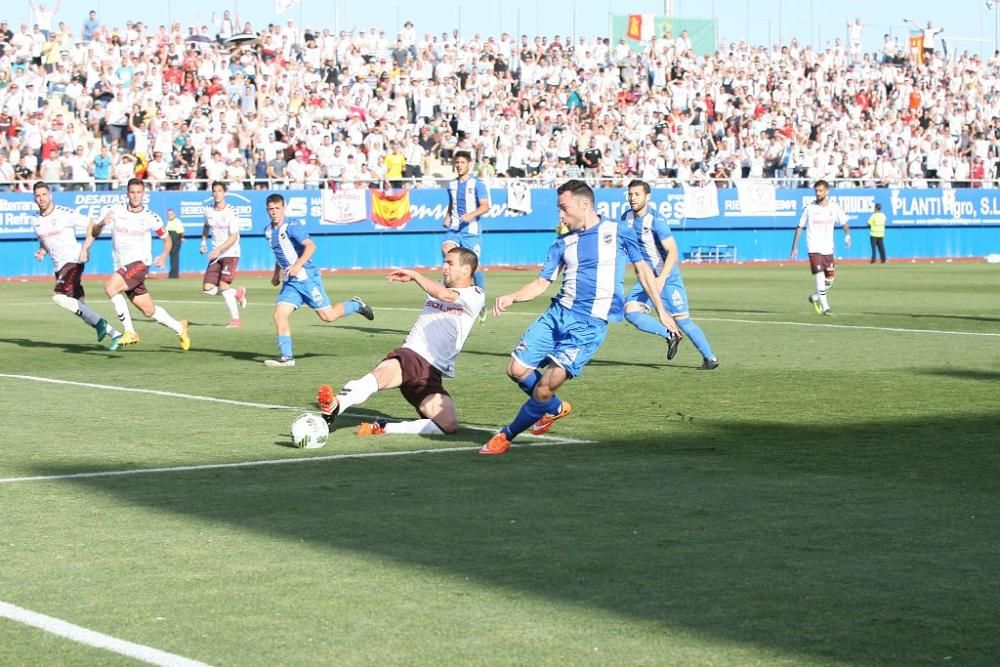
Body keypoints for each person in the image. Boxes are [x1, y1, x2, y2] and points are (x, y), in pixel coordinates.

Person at [479, 180, 679, 455]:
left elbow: (643, 271)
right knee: (516, 370)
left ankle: (506, 435)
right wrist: (512, 296)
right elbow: (541, 283)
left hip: (588, 326)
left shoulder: (618, 231)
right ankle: (554, 408)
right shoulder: (562, 243)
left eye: (564, 208)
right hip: (556, 315)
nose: (560, 215)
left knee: (545, 386)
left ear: (584, 205)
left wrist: (662, 310)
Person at [316, 247, 485, 436]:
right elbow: (439, 290)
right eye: (444, 262)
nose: (444, 267)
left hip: (432, 373)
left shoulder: (475, 295)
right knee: (380, 375)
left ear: (466, 269)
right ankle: (336, 405)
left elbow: (444, 295)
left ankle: (384, 427)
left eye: (450, 263)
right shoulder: (438, 285)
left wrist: (414, 275)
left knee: (448, 424)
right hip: (413, 354)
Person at [263, 193, 374, 368]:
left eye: (277, 208)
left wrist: (298, 265)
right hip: (290, 283)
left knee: (328, 316)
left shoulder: (292, 226)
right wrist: (276, 274)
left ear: (284, 208)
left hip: (307, 279)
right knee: (279, 314)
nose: (274, 212)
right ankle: (287, 356)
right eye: (271, 209)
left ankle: (356, 305)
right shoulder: (268, 231)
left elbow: (311, 246)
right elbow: (279, 253)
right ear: (267, 210)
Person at [81, 178, 190, 349]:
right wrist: (102, 223)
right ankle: (179, 327)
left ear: (144, 194)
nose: (135, 196)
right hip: (123, 267)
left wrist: (163, 255)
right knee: (148, 310)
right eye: (132, 192)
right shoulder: (114, 210)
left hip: (139, 264)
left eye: (139, 192)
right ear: (127, 193)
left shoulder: (150, 217)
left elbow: (167, 239)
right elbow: (94, 230)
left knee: (110, 287)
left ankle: (130, 331)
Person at [622, 180, 718, 369]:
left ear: (647, 197)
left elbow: (673, 251)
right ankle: (669, 334)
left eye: (637, 194)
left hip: (667, 277)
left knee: (683, 320)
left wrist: (662, 278)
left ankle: (710, 358)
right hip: (646, 278)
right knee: (630, 312)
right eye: (630, 194)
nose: (632, 198)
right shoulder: (626, 218)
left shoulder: (656, 221)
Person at [30, 180, 123, 349]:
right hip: (59, 267)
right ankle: (115, 334)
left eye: (44, 194)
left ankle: (101, 323)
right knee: (81, 309)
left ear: (50, 195)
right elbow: (44, 240)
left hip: (73, 261)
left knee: (58, 297)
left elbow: (91, 225)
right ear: (34, 199)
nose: (41, 198)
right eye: (38, 196)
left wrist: (86, 248)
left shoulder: (64, 213)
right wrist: (42, 251)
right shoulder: (35, 220)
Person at [790, 180, 851, 316]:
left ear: (827, 191)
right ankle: (825, 307)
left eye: (820, 191)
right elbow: (800, 227)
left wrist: (847, 236)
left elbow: (845, 223)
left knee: (830, 279)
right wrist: (794, 247)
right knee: (819, 275)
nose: (817, 193)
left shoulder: (834, 207)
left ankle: (816, 297)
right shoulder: (809, 208)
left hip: (828, 248)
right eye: (816, 191)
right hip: (814, 247)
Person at [444, 150, 489, 321]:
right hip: (454, 230)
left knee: (474, 267)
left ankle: (481, 302)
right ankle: (451, 294)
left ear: (469, 164)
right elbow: (451, 204)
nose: (459, 165)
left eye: (462, 162)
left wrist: (472, 214)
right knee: (448, 252)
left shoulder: (477, 184)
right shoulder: (451, 185)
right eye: (457, 163)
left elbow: (485, 206)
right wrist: (447, 216)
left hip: (470, 232)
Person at [200, 181, 247, 327]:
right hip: (216, 254)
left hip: (230, 252)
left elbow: (233, 237)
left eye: (219, 190)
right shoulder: (208, 210)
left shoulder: (231, 211)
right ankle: (237, 293)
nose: (217, 193)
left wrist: (218, 250)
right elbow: (206, 225)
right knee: (208, 288)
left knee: (223, 284)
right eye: (214, 191)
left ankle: (235, 319)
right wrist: (203, 242)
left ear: (224, 192)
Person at [164, 208, 183, 278]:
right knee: (172, 256)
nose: (169, 215)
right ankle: (172, 273)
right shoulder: (169, 222)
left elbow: (181, 232)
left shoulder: (177, 221)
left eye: (171, 214)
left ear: (174, 214)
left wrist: (181, 238)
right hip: (170, 240)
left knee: (175, 256)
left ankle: (175, 274)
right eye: (168, 214)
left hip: (176, 240)